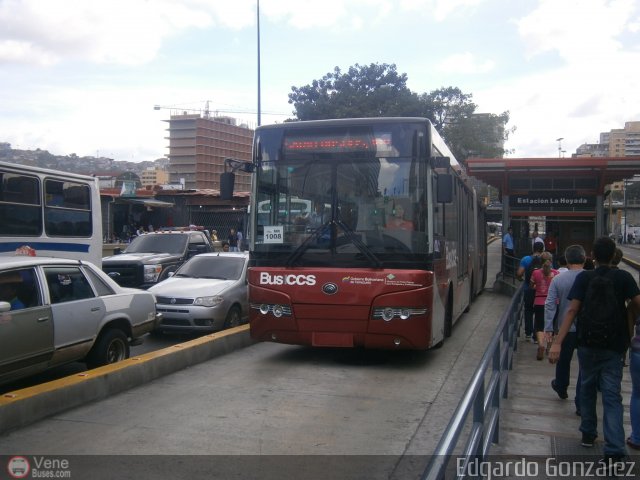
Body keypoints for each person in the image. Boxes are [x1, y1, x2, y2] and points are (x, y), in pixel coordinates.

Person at [549, 236, 640, 464]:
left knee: (587, 387)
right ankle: (614, 451)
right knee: (612, 396)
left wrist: (558, 342)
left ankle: (588, 433)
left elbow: (571, 311)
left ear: (593, 256)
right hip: (613, 347)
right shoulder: (624, 278)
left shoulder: (585, 278)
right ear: (613, 256)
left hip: (587, 344)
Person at [544, 245, 586, 413]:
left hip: (564, 328)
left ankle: (561, 386)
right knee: (585, 365)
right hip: (585, 329)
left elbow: (550, 305)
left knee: (563, 360)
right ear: (584, 259)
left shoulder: (558, 279)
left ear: (567, 261)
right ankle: (580, 400)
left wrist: (548, 328)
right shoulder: (589, 277)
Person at [530, 251, 558, 359]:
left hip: (539, 302)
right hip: (553, 303)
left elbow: (531, 285)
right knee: (551, 326)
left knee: (539, 325)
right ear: (551, 261)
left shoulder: (535, 273)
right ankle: (549, 348)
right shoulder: (556, 274)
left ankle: (541, 345)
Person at [517, 241, 545, 342]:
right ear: (542, 249)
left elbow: (519, 273)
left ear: (533, 248)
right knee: (539, 312)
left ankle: (528, 333)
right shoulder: (545, 259)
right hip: (541, 291)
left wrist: (522, 280)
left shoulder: (526, 259)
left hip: (528, 289)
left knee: (528, 310)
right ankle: (536, 336)